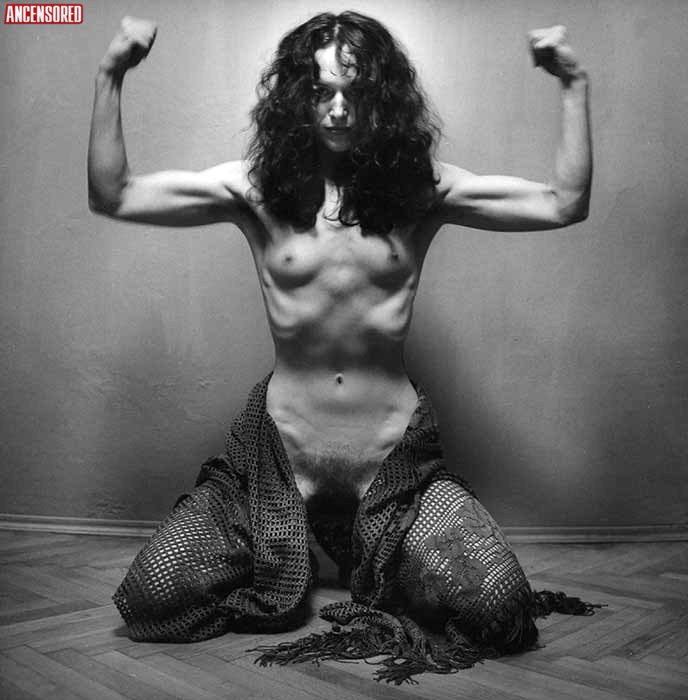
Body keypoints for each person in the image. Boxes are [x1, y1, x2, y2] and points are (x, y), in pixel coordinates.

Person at [88, 11, 593, 682]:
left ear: (382, 98)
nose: (337, 109)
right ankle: (286, 552)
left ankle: (376, 560)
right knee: (152, 596)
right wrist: (111, 73)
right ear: (296, 97)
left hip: (393, 467)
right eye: (321, 91)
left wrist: (574, 83)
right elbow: (115, 194)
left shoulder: (421, 190)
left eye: (355, 93)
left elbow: (563, 202)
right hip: (277, 463)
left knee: (498, 606)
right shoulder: (255, 190)